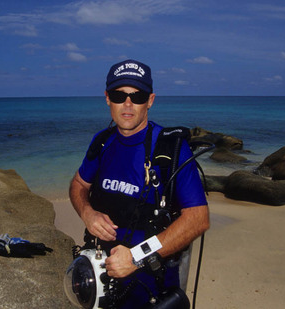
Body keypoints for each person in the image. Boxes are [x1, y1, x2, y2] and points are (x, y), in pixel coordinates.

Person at [69, 59, 209, 307]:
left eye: (138, 96)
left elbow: (198, 218)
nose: (128, 104)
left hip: (152, 282)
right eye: (119, 95)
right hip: (102, 277)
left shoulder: (170, 148)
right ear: (107, 98)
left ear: (151, 100)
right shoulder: (102, 142)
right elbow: (79, 184)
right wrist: (87, 213)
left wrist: (135, 257)